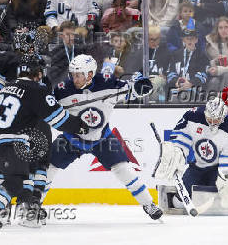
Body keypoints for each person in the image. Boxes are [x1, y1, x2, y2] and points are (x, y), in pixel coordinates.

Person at [46, 54, 163, 220]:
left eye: (78, 75)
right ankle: (35, 206)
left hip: (102, 139)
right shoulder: (62, 90)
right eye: (72, 74)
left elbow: (134, 91)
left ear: (90, 74)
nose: (74, 78)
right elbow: (48, 108)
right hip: (71, 138)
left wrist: (144, 85)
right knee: (47, 168)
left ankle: (148, 204)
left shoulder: (108, 83)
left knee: (124, 170)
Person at [0, 53, 89, 228]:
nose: (42, 76)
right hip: (13, 142)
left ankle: (14, 209)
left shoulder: (8, 87)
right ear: (36, 73)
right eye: (40, 72)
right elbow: (59, 119)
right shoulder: (36, 90)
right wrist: (80, 126)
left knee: (14, 175)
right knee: (17, 181)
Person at [154, 97, 228, 209]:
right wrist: (178, 153)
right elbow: (181, 137)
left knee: (224, 201)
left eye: (216, 120)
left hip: (219, 169)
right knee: (178, 203)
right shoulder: (193, 116)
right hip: (198, 165)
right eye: (209, 118)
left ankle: (227, 193)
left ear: (223, 117)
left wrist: (227, 177)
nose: (212, 122)